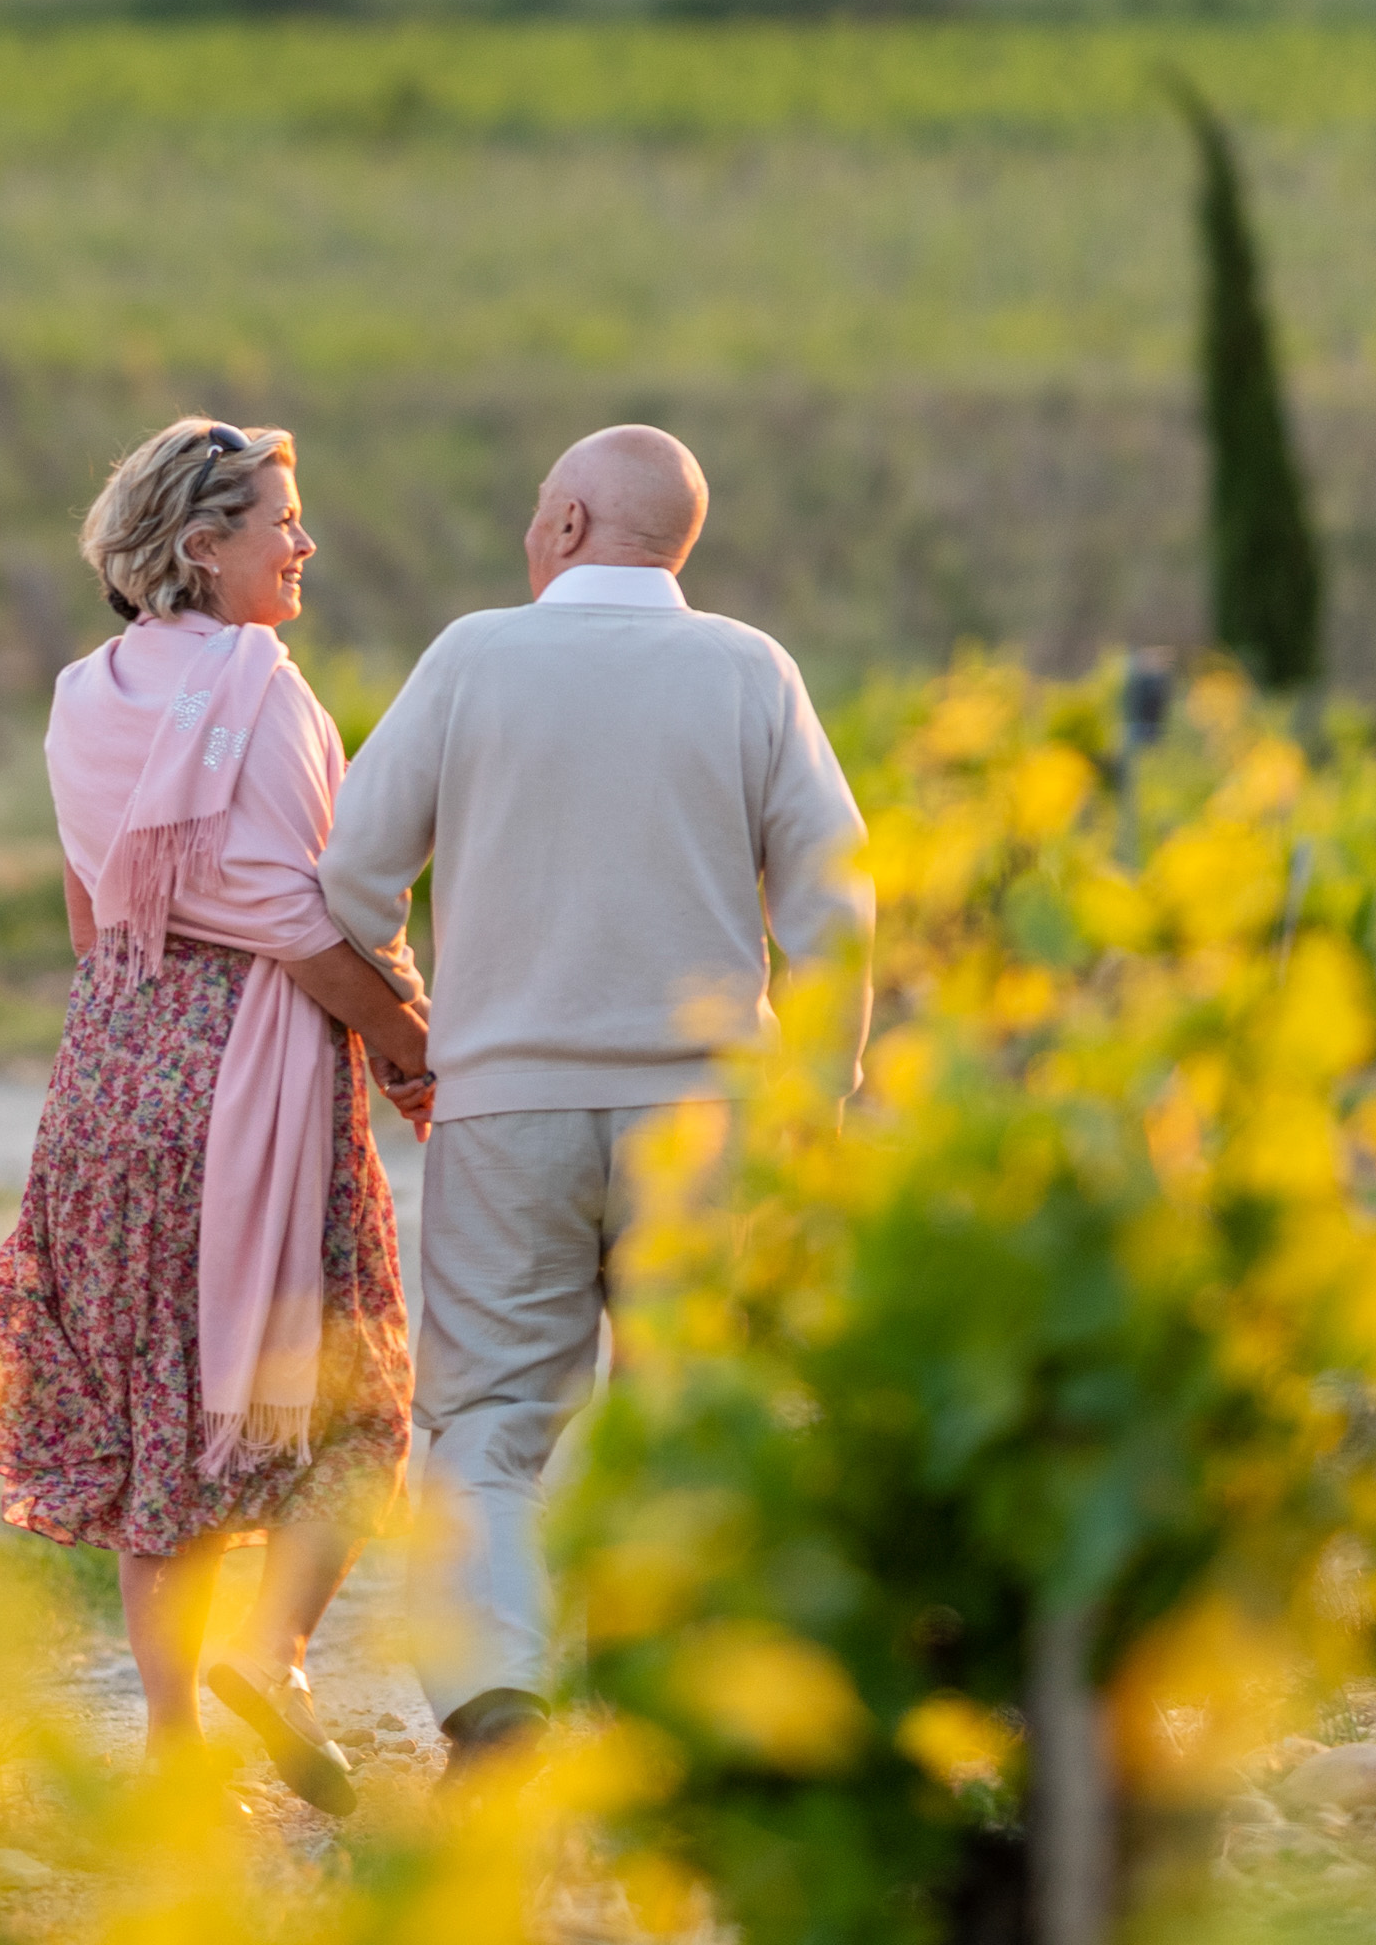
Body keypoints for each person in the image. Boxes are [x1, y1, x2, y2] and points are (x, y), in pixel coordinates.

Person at [316, 421, 865, 1759]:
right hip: (707, 1111)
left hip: (508, 1105)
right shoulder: (750, 671)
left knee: (494, 1419)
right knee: (691, 1402)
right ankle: (666, 1676)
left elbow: (347, 884)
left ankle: (500, 1702)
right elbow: (839, 910)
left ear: (565, 523)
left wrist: (418, 1028)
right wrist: (819, 1095)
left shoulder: (473, 659)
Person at [0, 416, 434, 1810]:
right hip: (249, 1075)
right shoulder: (264, 693)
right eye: (281, 521)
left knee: (167, 1411)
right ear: (203, 548)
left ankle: (168, 1748)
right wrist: (407, 1042)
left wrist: (137, 1035)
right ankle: (269, 1661)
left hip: (115, 1068)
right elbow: (298, 915)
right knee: (348, 1397)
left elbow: (92, 915)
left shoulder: (81, 693)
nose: (304, 544)